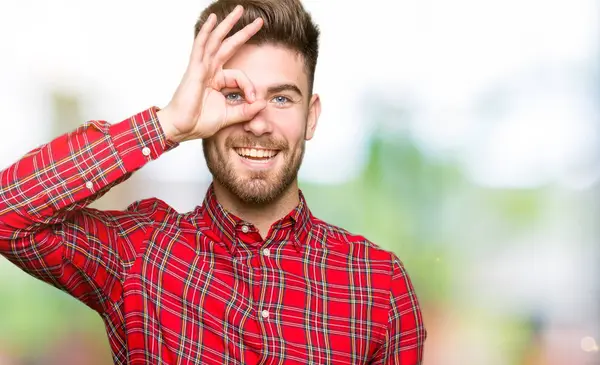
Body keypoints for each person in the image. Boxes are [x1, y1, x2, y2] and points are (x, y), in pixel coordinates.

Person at [0, 0, 426, 364]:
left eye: (281, 98)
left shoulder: (377, 285)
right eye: (234, 95)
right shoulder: (139, 255)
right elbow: (8, 212)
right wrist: (166, 124)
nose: (258, 123)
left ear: (310, 115)